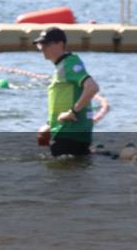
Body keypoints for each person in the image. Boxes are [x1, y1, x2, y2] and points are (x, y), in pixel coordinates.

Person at [33, 27, 100, 157]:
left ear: (60, 44)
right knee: (70, 173)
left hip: (69, 133)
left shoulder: (69, 63)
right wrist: (50, 125)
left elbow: (92, 87)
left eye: (46, 44)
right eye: (40, 44)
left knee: (59, 174)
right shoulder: (62, 65)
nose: (42, 48)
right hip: (66, 131)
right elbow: (64, 98)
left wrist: (72, 112)